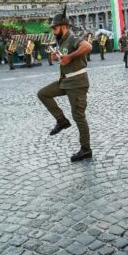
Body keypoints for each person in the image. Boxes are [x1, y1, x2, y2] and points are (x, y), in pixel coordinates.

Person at [37, 11, 93, 162]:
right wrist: (57, 56)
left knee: (79, 116)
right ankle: (61, 121)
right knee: (43, 93)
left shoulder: (73, 38)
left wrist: (70, 57)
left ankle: (86, 149)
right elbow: (64, 56)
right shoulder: (61, 42)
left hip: (77, 83)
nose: (53, 31)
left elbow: (87, 46)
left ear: (63, 27)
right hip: (65, 81)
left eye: (55, 28)